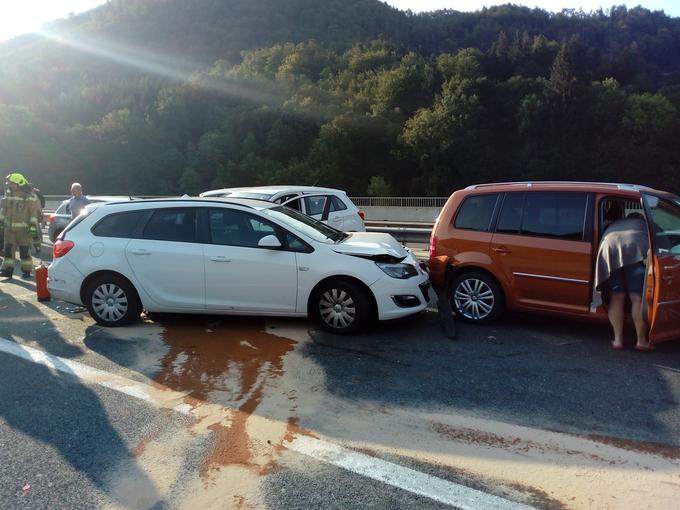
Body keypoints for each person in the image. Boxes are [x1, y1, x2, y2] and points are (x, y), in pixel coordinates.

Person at [595, 202, 653, 351]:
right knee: (637, 298)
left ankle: (618, 340)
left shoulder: (614, 224)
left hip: (610, 250)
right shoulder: (644, 224)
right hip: (636, 251)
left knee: (617, 296)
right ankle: (641, 341)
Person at [0, 173, 42, 278]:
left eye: (12, 183)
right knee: (8, 251)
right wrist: (1, 222)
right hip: (9, 230)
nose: (9, 185)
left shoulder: (30, 196)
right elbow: (3, 210)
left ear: (19, 184)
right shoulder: (9, 194)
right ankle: (7, 270)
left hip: (24, 231)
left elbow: (34, 213)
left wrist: (32, 228)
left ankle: (27, 271)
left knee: (24, 252)